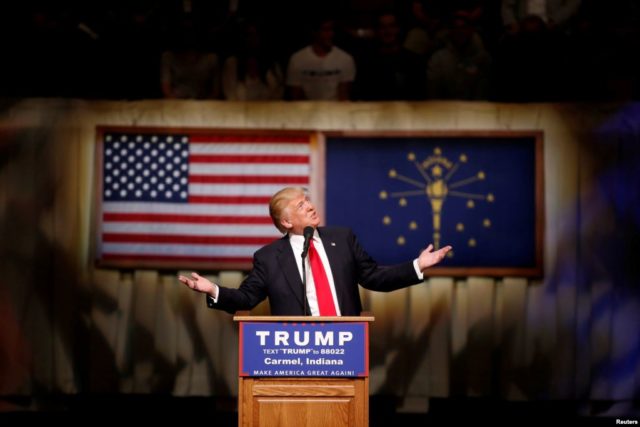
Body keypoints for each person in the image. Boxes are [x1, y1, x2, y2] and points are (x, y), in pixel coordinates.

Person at [178, 187, 452, 316]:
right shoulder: (269, 258)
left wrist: (417, 264)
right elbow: (247, 298)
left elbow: (373, 277)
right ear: (286, 222)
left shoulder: (342, 238)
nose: (309, 206)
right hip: (296, 355)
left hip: (344, 346)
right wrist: (213, 289)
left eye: (307, 200)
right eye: (300, 205)